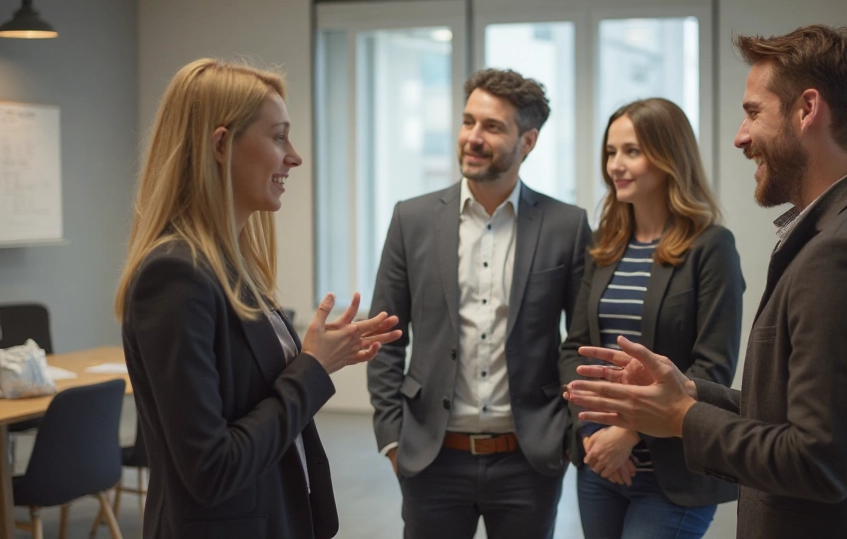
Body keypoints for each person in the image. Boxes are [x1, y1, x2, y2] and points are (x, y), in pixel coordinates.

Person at [566, 25, 847, 539]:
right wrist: (689, 391)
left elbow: (818, 461)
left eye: (752, 112)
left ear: (806, 110)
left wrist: (683, 417)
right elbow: (797, 417)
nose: (740, 137)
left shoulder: (842, 252)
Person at [115, 59, 402, 539]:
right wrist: (312, 367)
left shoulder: (231, 267)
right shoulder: (174, 275)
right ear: (222, 145)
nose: (294, 157)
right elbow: (212, 469)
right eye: (279, 137)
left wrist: (318, 357)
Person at [367, 68, 591, 539]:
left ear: (527, 141)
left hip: (528, 460)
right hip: (431, 457)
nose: (473, 137)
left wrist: (569, 434)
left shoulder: (566, 226)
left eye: (492, 127)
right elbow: (385, 335)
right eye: (468, 121)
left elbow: (581, 340)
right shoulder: (412, 219)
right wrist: (392, 437)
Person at [558, 98, 744, 539]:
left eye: (632, 152)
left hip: (674, 472)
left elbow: (712, 365)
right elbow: (574, 347)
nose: (616, 165)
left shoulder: (711, 247)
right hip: (601, 462)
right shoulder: (605, 246)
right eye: (610, 152)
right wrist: (591, 432)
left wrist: (629, 432)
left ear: (668, 158)